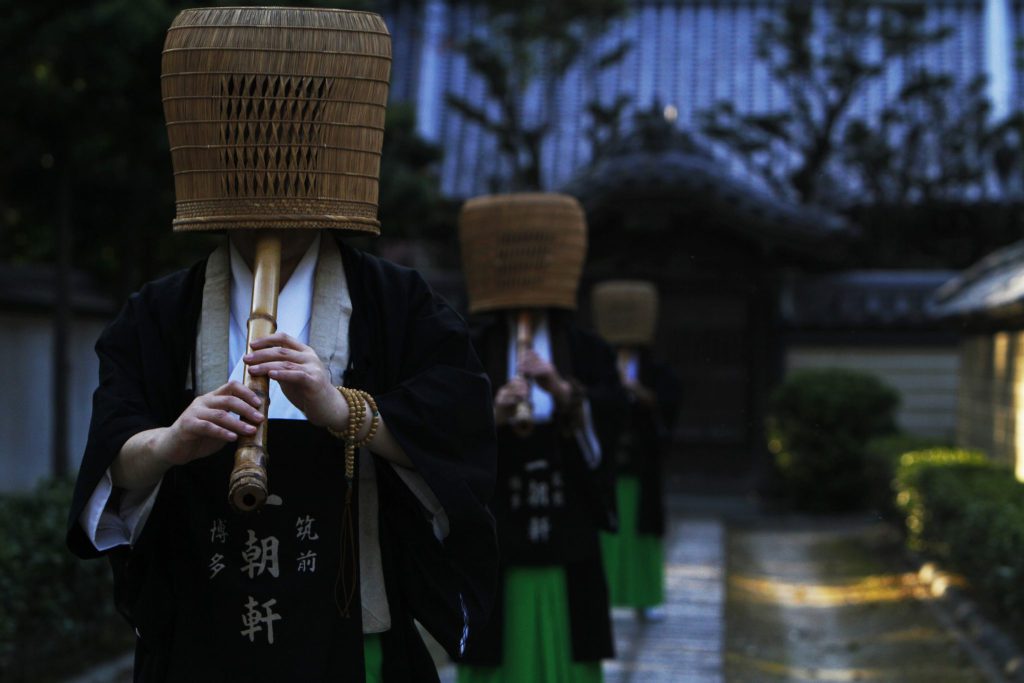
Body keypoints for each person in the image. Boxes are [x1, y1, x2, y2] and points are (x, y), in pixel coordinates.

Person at [66, 8, 497, 682]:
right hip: (200, 634)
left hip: (354, 631)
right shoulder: (160, 313)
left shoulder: (396, 302)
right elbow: (112, 449)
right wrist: (172, 441)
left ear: (326, 158)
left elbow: (462, 420)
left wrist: (345, 409)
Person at [455, 193, 623, 683]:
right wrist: (494, 416)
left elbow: (611, 417)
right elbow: (447, 428)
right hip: (500, 506)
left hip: (565, 498)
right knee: (496, 622)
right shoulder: (471, 344)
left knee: (571, 619)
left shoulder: (586, 348)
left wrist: (564, 392)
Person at [593, 281, 680, 621]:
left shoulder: (656, 370)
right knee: (607, 534)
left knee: (643, 534)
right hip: (610, 464)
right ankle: (606, 595)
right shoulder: (599, 363)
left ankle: (647, 596)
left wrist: (641, 393)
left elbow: (669, 403)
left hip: (643, 467)